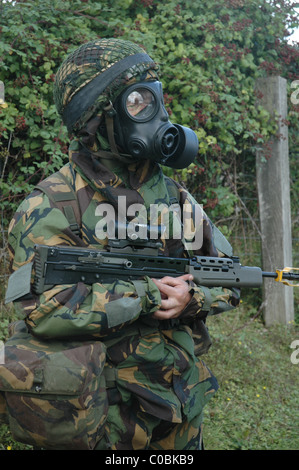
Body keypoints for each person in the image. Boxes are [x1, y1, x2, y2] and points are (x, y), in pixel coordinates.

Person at [6, 38, 240, 450]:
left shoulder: (175, 197)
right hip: (104, 419)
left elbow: (229, 275)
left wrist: (193, 297)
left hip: (180, 409)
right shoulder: (50, 204)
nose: (160, 115)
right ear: (98, 119)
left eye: (157, 98)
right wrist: (147, 295)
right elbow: (42, 309)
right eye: (138, 102)